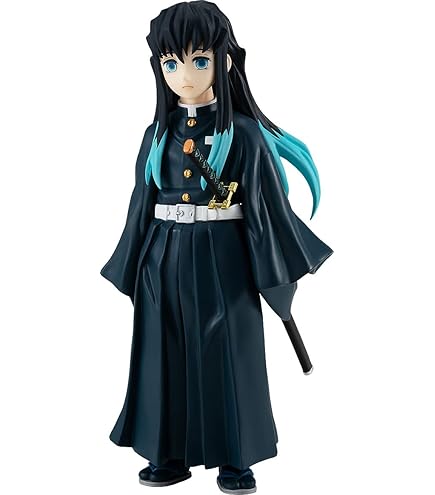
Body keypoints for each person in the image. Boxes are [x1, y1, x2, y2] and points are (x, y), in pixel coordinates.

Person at [100, 2, 333, 493]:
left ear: (224, 61)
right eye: (171, 63)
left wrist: (276, 277)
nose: (184, 76)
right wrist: (131, 262)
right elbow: (141, 202)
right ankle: (167, 451)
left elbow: (267, 209)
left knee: (229, 351)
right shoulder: (156, 136)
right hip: (162, 256)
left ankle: (235, 456)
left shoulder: (243, 135)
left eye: (199, 60)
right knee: (162, 353)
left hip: (225, 256)